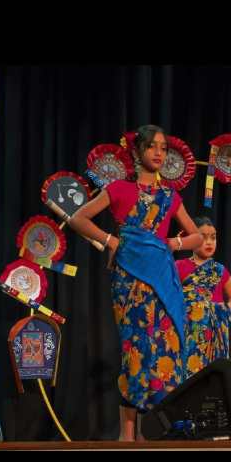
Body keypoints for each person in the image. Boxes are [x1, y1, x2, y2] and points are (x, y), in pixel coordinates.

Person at [69, 124, 203, 441]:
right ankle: (127, 433)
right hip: (129, 280)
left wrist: (173, 244)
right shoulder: (118, 189)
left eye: (163, 148)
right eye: (152, 147)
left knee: (165, 348)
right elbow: (78, 218)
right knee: (135, 349)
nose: (159, 153)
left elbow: (196, 237)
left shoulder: (171, 197)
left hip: (164, 281)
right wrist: (111, 241)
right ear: (137, 151)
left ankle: (152, 430)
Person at [175, 216, 231, 375]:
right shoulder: (179, 266)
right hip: (188, 330)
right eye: (203, 237)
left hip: (214, 334)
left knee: (212, 376)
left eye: (213, 237)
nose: (209, 242)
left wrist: (223, 309)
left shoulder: (220, 270)